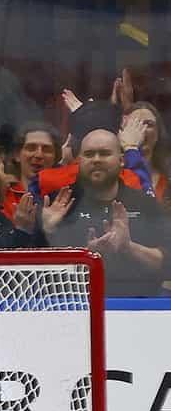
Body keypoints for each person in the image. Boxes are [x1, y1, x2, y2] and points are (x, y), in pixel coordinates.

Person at [39, 127, 171, 297]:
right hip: (75, 306)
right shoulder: (57, 205)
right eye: (89, 154)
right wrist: (47, 231)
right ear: (79, 161)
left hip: (138, 308)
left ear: (121, 160)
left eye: (104, 153)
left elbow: (167, 264)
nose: (96, 160)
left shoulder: (146, 205)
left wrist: (129, 248)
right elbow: (39, 275)